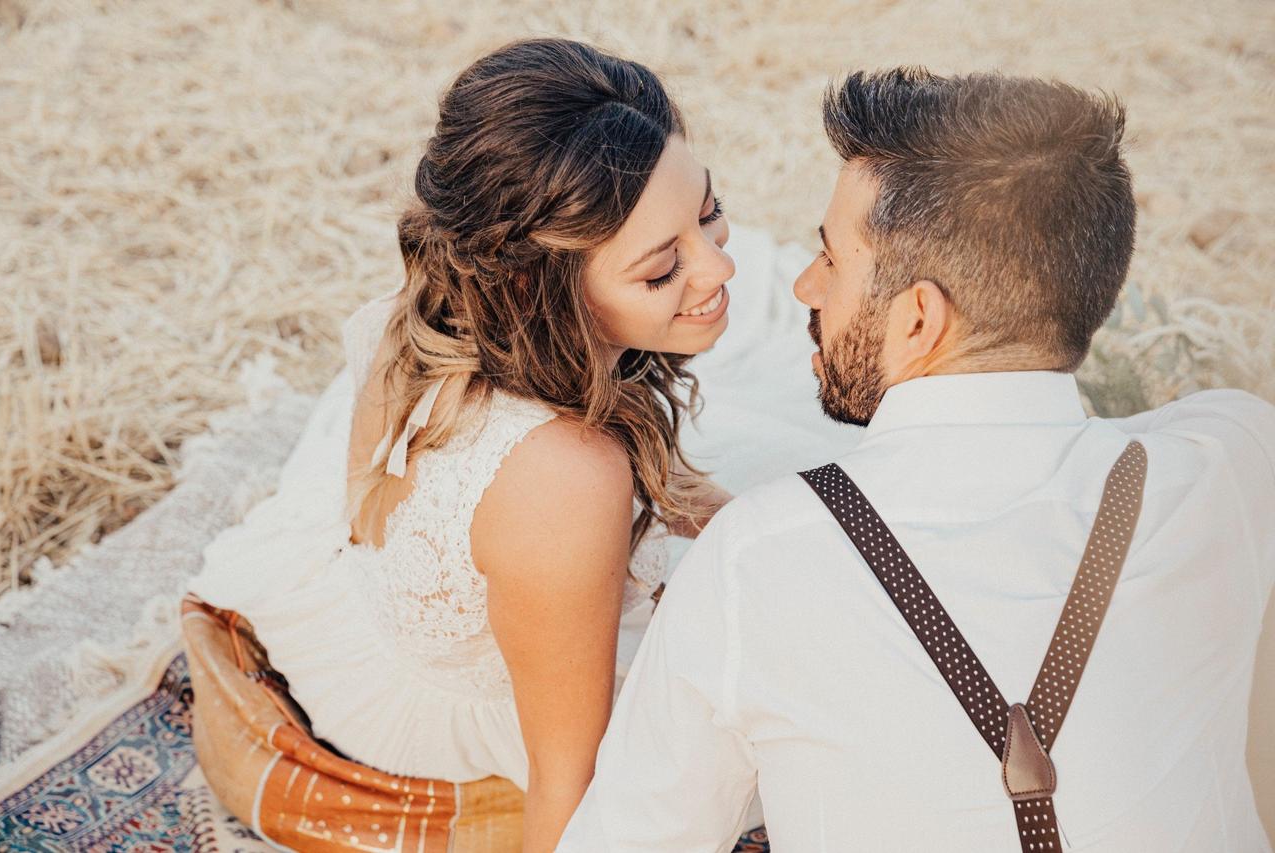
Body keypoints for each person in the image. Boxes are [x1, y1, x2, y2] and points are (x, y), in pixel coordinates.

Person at [558, 68, 1275, 851]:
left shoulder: (755, 559)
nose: (803, 286)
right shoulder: (1228, 465)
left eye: (830, 261)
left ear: (919, 320)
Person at [184, 37, 736, 852]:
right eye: (662, 270)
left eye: (708, 211)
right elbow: (567, 775)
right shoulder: (567, 476)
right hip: (459, 725)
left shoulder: (442, 297)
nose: (720, 266)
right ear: (538, 286)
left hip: (380, 618)